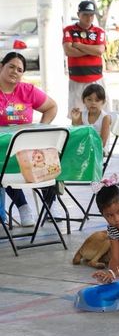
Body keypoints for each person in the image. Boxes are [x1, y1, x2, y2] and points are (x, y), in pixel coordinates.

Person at [0, 52, 58, 226]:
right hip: (3, 151)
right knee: (5, 163)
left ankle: (48, 205)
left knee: (50, 157)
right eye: (11, 66)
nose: (15, 72)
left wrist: (41, 127)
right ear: (1, 66)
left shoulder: (28, 90)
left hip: (27, 153)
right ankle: (23, 205)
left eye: (19, 69)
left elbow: (52, 107)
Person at [63, 0, 108, 113]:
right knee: (76, 113)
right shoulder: (69, 30)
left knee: (99, 112)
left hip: (96, 78)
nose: (89, 18)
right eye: (85, 15)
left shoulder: (99, 31)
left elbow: (99, 50)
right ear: (78, 15)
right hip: (76, 79)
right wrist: (91, 49)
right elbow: (68, 51)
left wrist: (79, 45)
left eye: (91, 15)